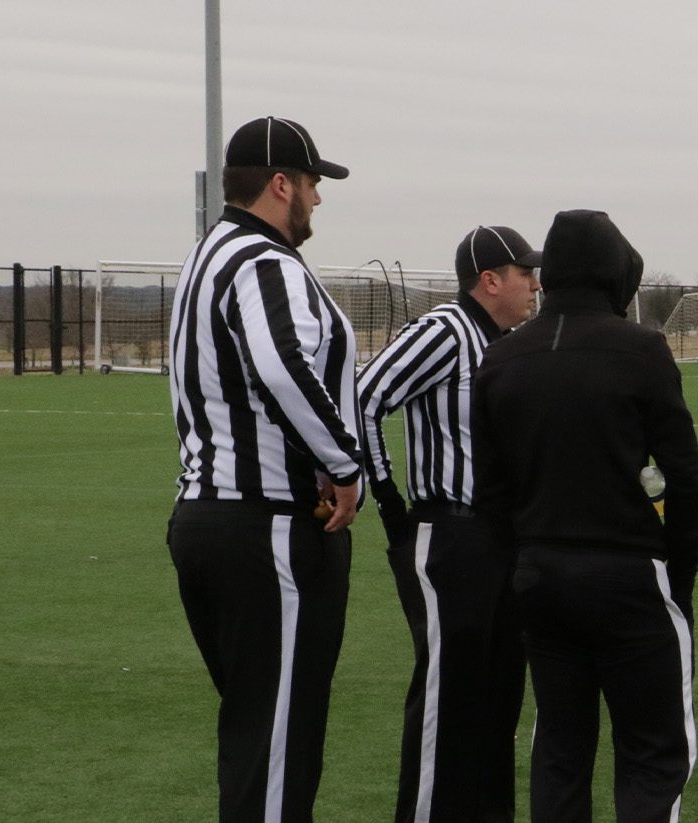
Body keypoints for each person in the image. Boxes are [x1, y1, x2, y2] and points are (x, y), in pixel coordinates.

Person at [470, 210, 698, 823]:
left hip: (541, 576)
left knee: (561, 749)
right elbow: (685, 479)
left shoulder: (502, 358)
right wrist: (679, 575)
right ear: (614, 271)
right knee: (653, 752)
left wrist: (519, 567)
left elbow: (490, 497)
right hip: (628, 570)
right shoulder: (641, 350)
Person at [165, 115, 360, 822]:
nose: (316, 198)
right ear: (281, 184)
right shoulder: (263, 261)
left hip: (207, 514)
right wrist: (345, 464)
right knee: (278, 743)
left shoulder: (206, 253)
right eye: (310, 182)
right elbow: (282, 366)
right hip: (268, 523)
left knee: (256, 730)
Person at [355, 225, 544, 822]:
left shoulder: (510, 341)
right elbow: (363, 399)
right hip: (451, 535)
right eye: (525, 273)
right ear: (490, 280)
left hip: (502, 542)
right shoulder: (444, 330)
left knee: (497, 699)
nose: (536, 284)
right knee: (448, 698)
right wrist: (389, 505)